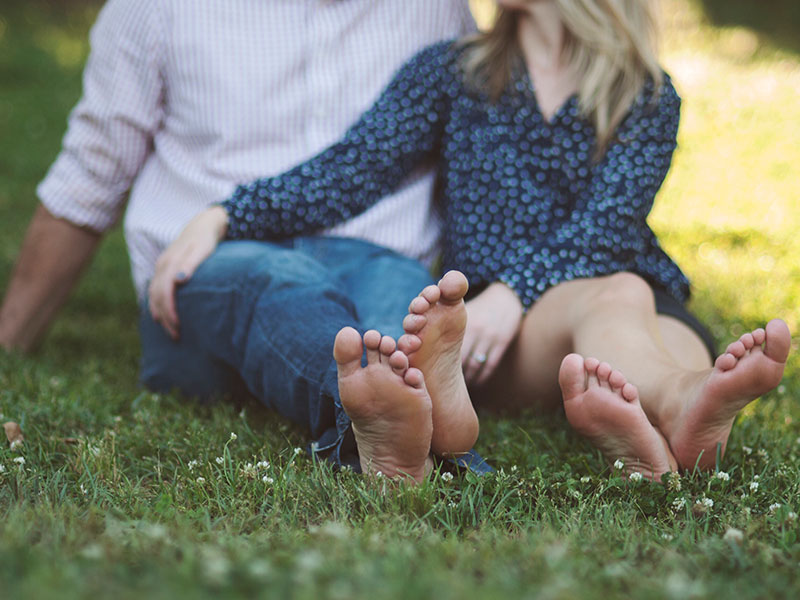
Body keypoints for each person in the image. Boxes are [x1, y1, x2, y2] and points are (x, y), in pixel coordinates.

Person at [152, 0, 791, 481]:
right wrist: (228, 213)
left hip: (619, 297)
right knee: (620, 296)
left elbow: (608, 224)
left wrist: (515, 290)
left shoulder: (645, 92)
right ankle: (676, 406)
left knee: (657, 326)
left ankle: (679, 409)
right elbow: (355, 167)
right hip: (503, 326)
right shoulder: (454, 73)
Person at [0, 0, 488, 480]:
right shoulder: (155, 8)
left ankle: (415, 426)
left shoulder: (438, 8)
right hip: (216, 265)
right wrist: (9, 341)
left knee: (401, 310)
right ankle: (379, 412)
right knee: (284, 284)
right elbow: (90, 176)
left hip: (379, 258)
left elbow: (483, 149)